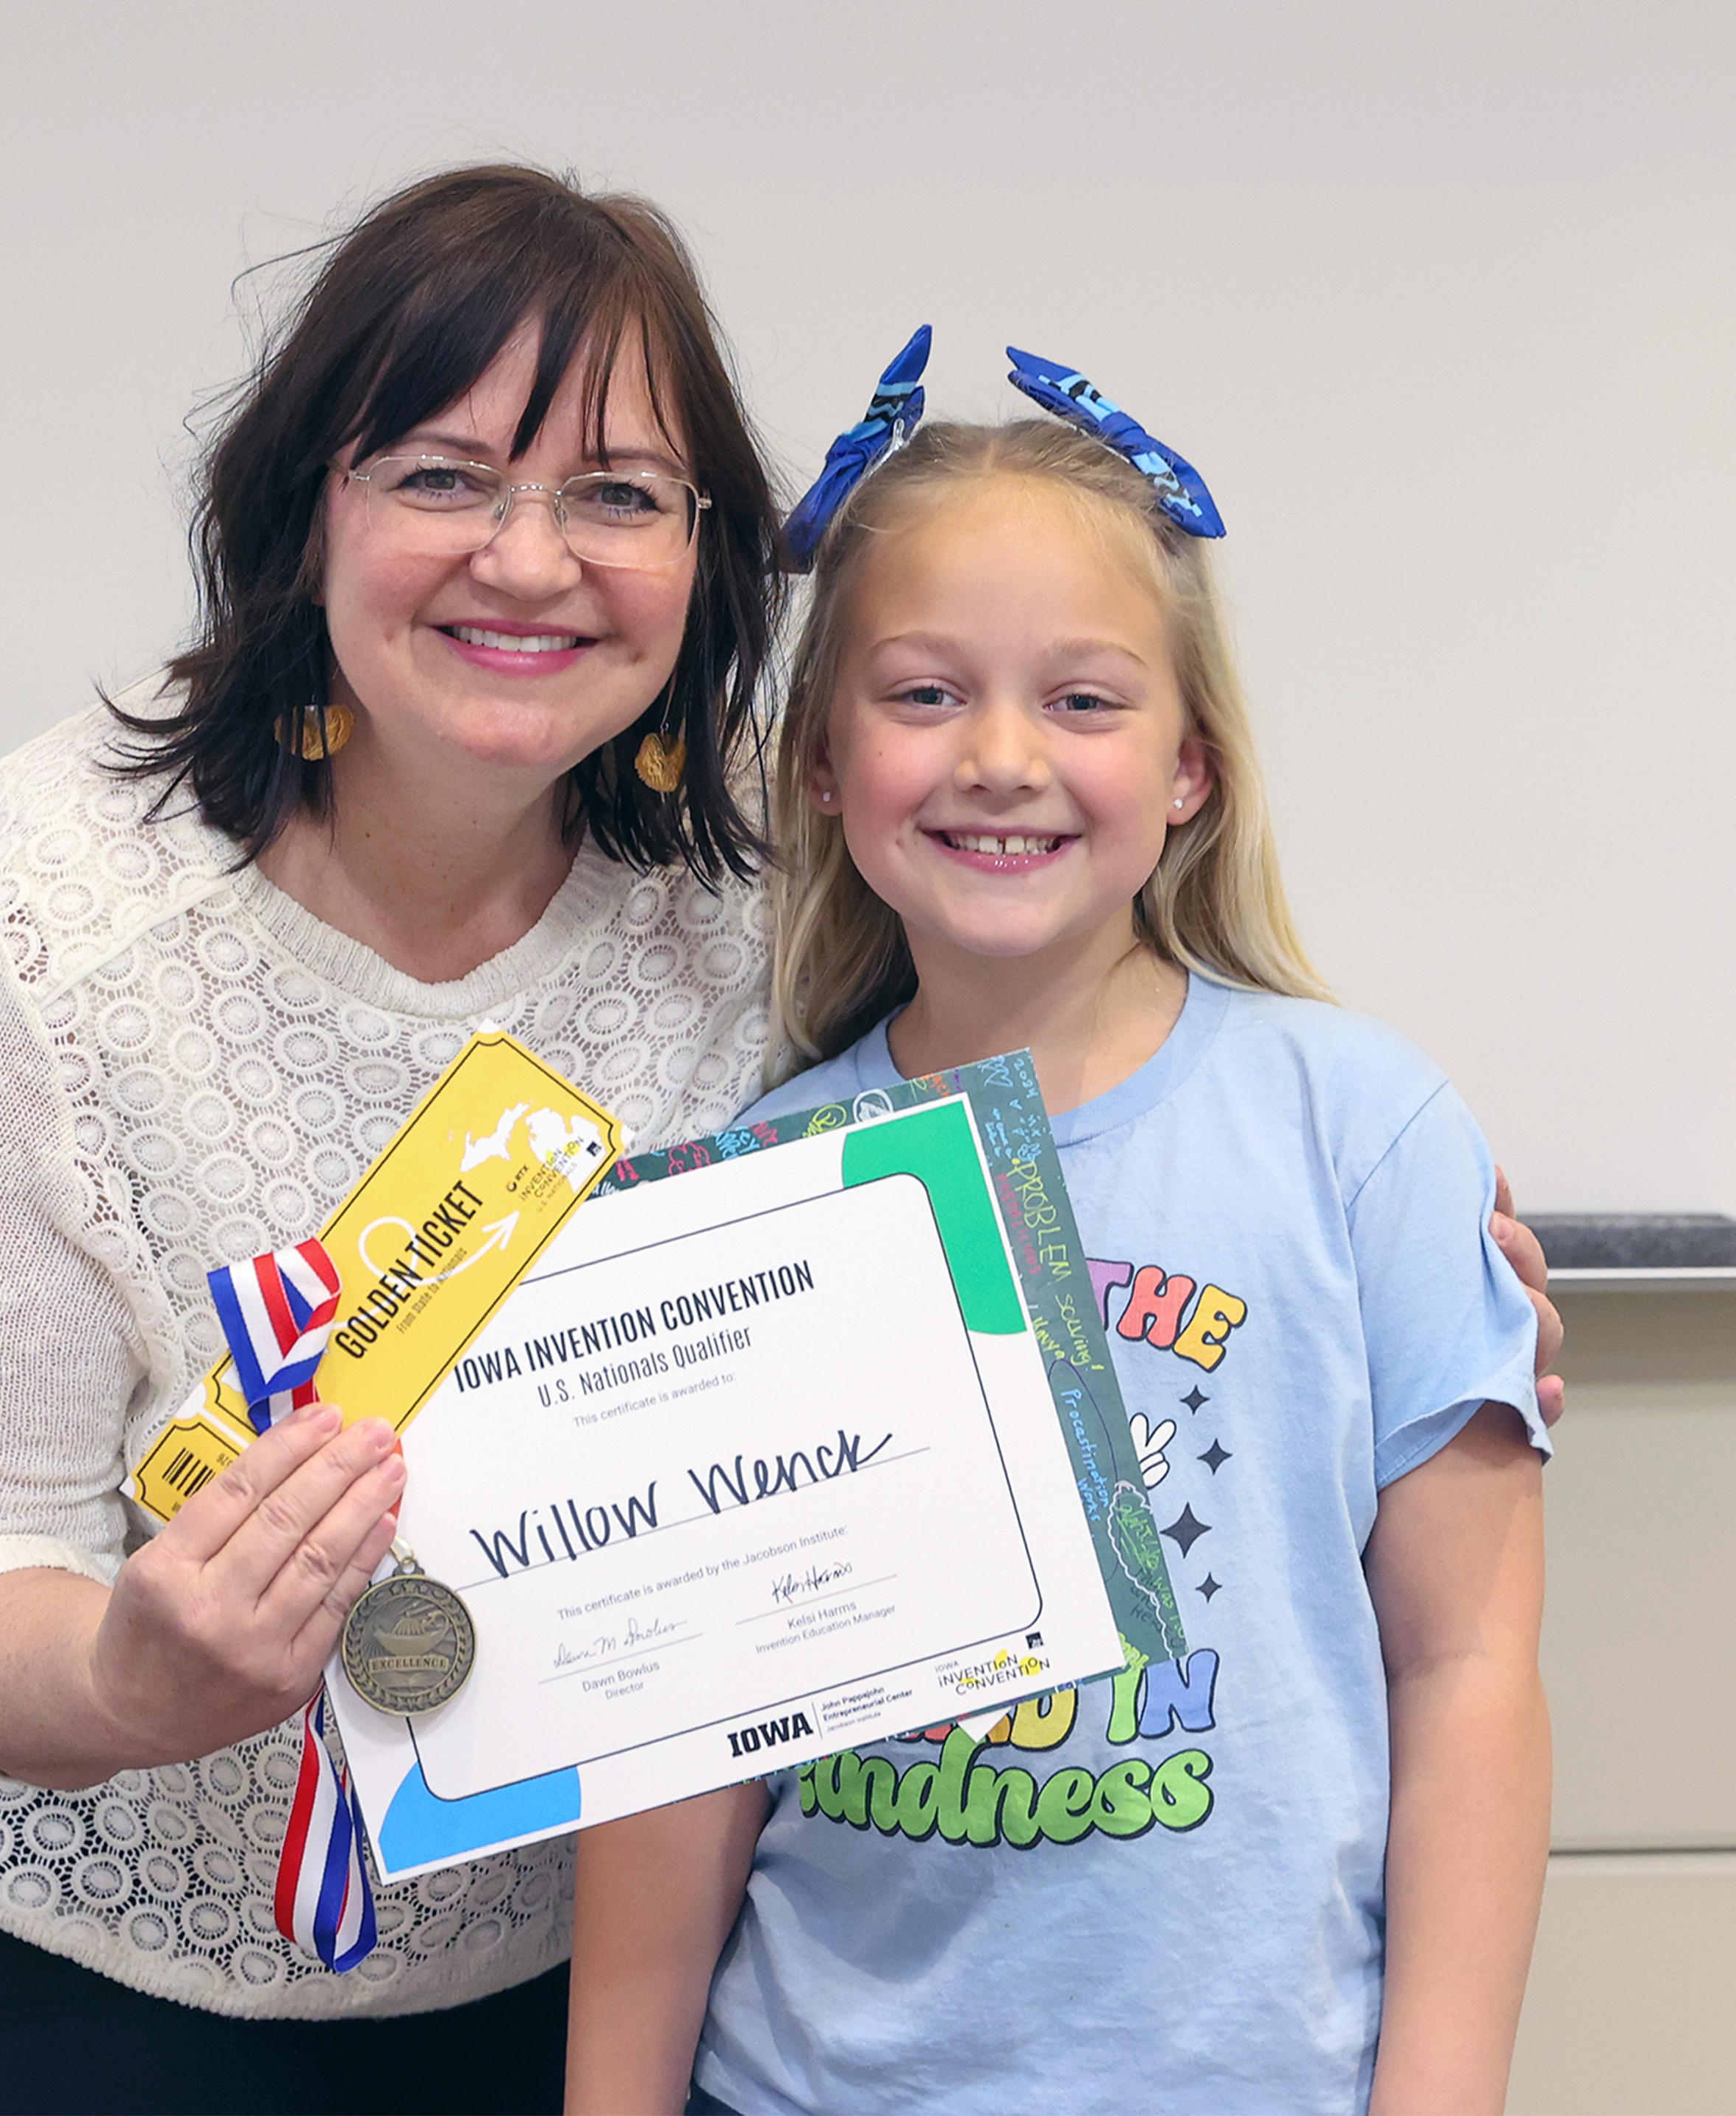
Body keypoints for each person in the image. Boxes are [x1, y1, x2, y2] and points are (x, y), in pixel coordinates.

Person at [0, 164, 790, 2116]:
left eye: (619, 493)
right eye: (444, 474)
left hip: (550, 1904)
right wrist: (128, 1682)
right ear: (308, 510)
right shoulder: (47, 910)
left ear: (707, 551)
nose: (530, 558)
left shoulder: (772, 891)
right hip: (47, 1887)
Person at [566, 379, 1554, 2115]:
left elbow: (1467, 1667)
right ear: (823, 762)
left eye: (1083, 698)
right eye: (925, 692)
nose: (1003, 756)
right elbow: (680, 1753)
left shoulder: (1362, 1129)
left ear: (1189, 766)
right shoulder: (761, 1182)